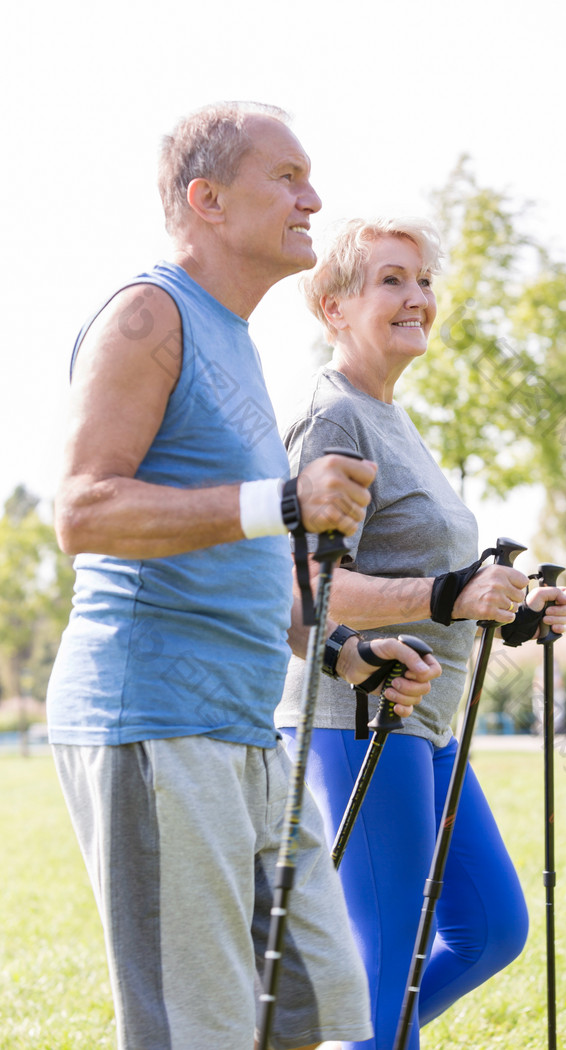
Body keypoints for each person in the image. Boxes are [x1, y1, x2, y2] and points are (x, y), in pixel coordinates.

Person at [46, 105, 441, 1050]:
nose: (313, 199)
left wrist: (345, 650)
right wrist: (283, 501)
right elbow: (82, 511)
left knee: (313, 1002)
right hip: (154, 722)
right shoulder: (149, 315)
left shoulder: (235, 338)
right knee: (203, 1033)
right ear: (208, 199)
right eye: (289, 178)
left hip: (251, 729)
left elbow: (252, 552)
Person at [275, 217, 566, 1050]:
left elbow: (431, 587)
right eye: (391, 280)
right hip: (359, 717)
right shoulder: (332, 419)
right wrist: (451, 591)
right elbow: (306, 590)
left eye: (424, 281)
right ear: (332, 306)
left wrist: (509, 611)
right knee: (386, 968)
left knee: (492, 929)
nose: (418, 298)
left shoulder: (392, 417)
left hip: (428, 719)